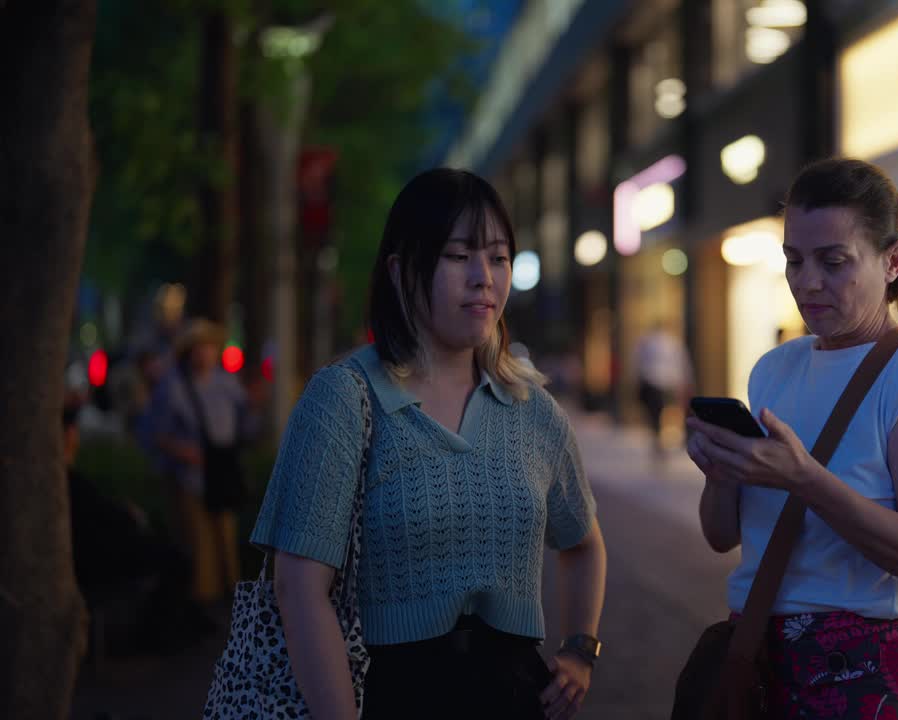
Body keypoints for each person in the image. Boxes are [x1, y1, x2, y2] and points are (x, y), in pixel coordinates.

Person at [250, 168, 607, 720]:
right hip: (389, 693)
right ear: (400, 269)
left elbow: (583, 543)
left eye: (498, 257)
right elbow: (298, 590)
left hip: (512, 695)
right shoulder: (343, 400)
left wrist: (581, 648)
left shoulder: (533, 410)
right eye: (458, 256)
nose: (483, 277)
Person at [687, 158, 898, 719]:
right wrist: (720, 471)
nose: (807, 282)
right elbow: (722, 535)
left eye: (833, 262)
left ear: (892, 259)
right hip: (759, 662)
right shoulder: (773, 370)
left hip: (873, 673)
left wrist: (805, 479)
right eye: (794, 260)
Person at [63, 395, 213, 654]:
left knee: (169, 553)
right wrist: (127, 515)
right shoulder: (64, 480)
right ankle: (157, 635)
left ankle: (181, 623)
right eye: (73, 432)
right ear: (67, 436)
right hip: (95, 559)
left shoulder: (66, 479)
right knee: (174, 559)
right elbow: (98, 513)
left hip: (96, 552)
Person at [150, 318, 248, 604]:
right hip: (189, 478)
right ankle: (202, 604)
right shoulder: (174, 388)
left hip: (220, 475)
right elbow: (159, 434)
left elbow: (244, 423)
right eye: (198, 347)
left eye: (208, 346)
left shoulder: (227, 384)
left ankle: (229, 600)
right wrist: (185, 451)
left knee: (226, 541)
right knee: (198, 544)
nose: (204, 353)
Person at [633, 320, 693, 460]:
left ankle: (660, 439)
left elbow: (638, 361)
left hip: (654, 383)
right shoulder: (672, 342)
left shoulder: (648, 341)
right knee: (663, 413)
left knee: (657, 414)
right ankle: (662, 439)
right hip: (666, 383)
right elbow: (682, 363)